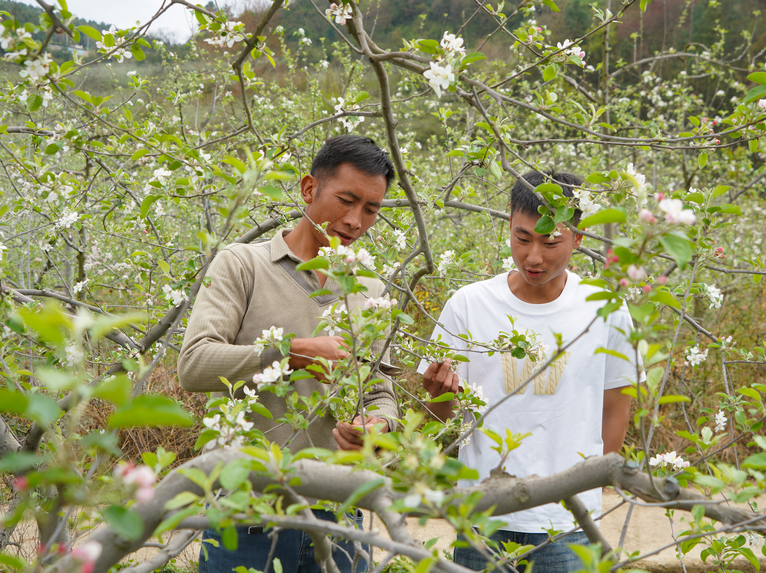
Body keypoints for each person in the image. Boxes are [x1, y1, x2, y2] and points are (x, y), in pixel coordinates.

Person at [178, 135, 399, 573]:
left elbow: (381, 394)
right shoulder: (242, 264)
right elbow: (194, 364)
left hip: (340, 513)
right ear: (309, 189)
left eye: (371, 209)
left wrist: (376, 426)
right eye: (346, 200)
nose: (355, 221)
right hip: (247, 512)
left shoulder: (370, 290)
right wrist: (290, 353)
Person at [419, 170, 639, 573]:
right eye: (522, 239)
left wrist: (589, 489)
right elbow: (437, 419)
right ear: (509, 226)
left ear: (578, 237)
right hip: (484, 516)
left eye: (550, 242)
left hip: (568, 523)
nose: (534, 257)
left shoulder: (605, 308)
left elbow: (616, 408)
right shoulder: (469, 305)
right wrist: (437, 393)